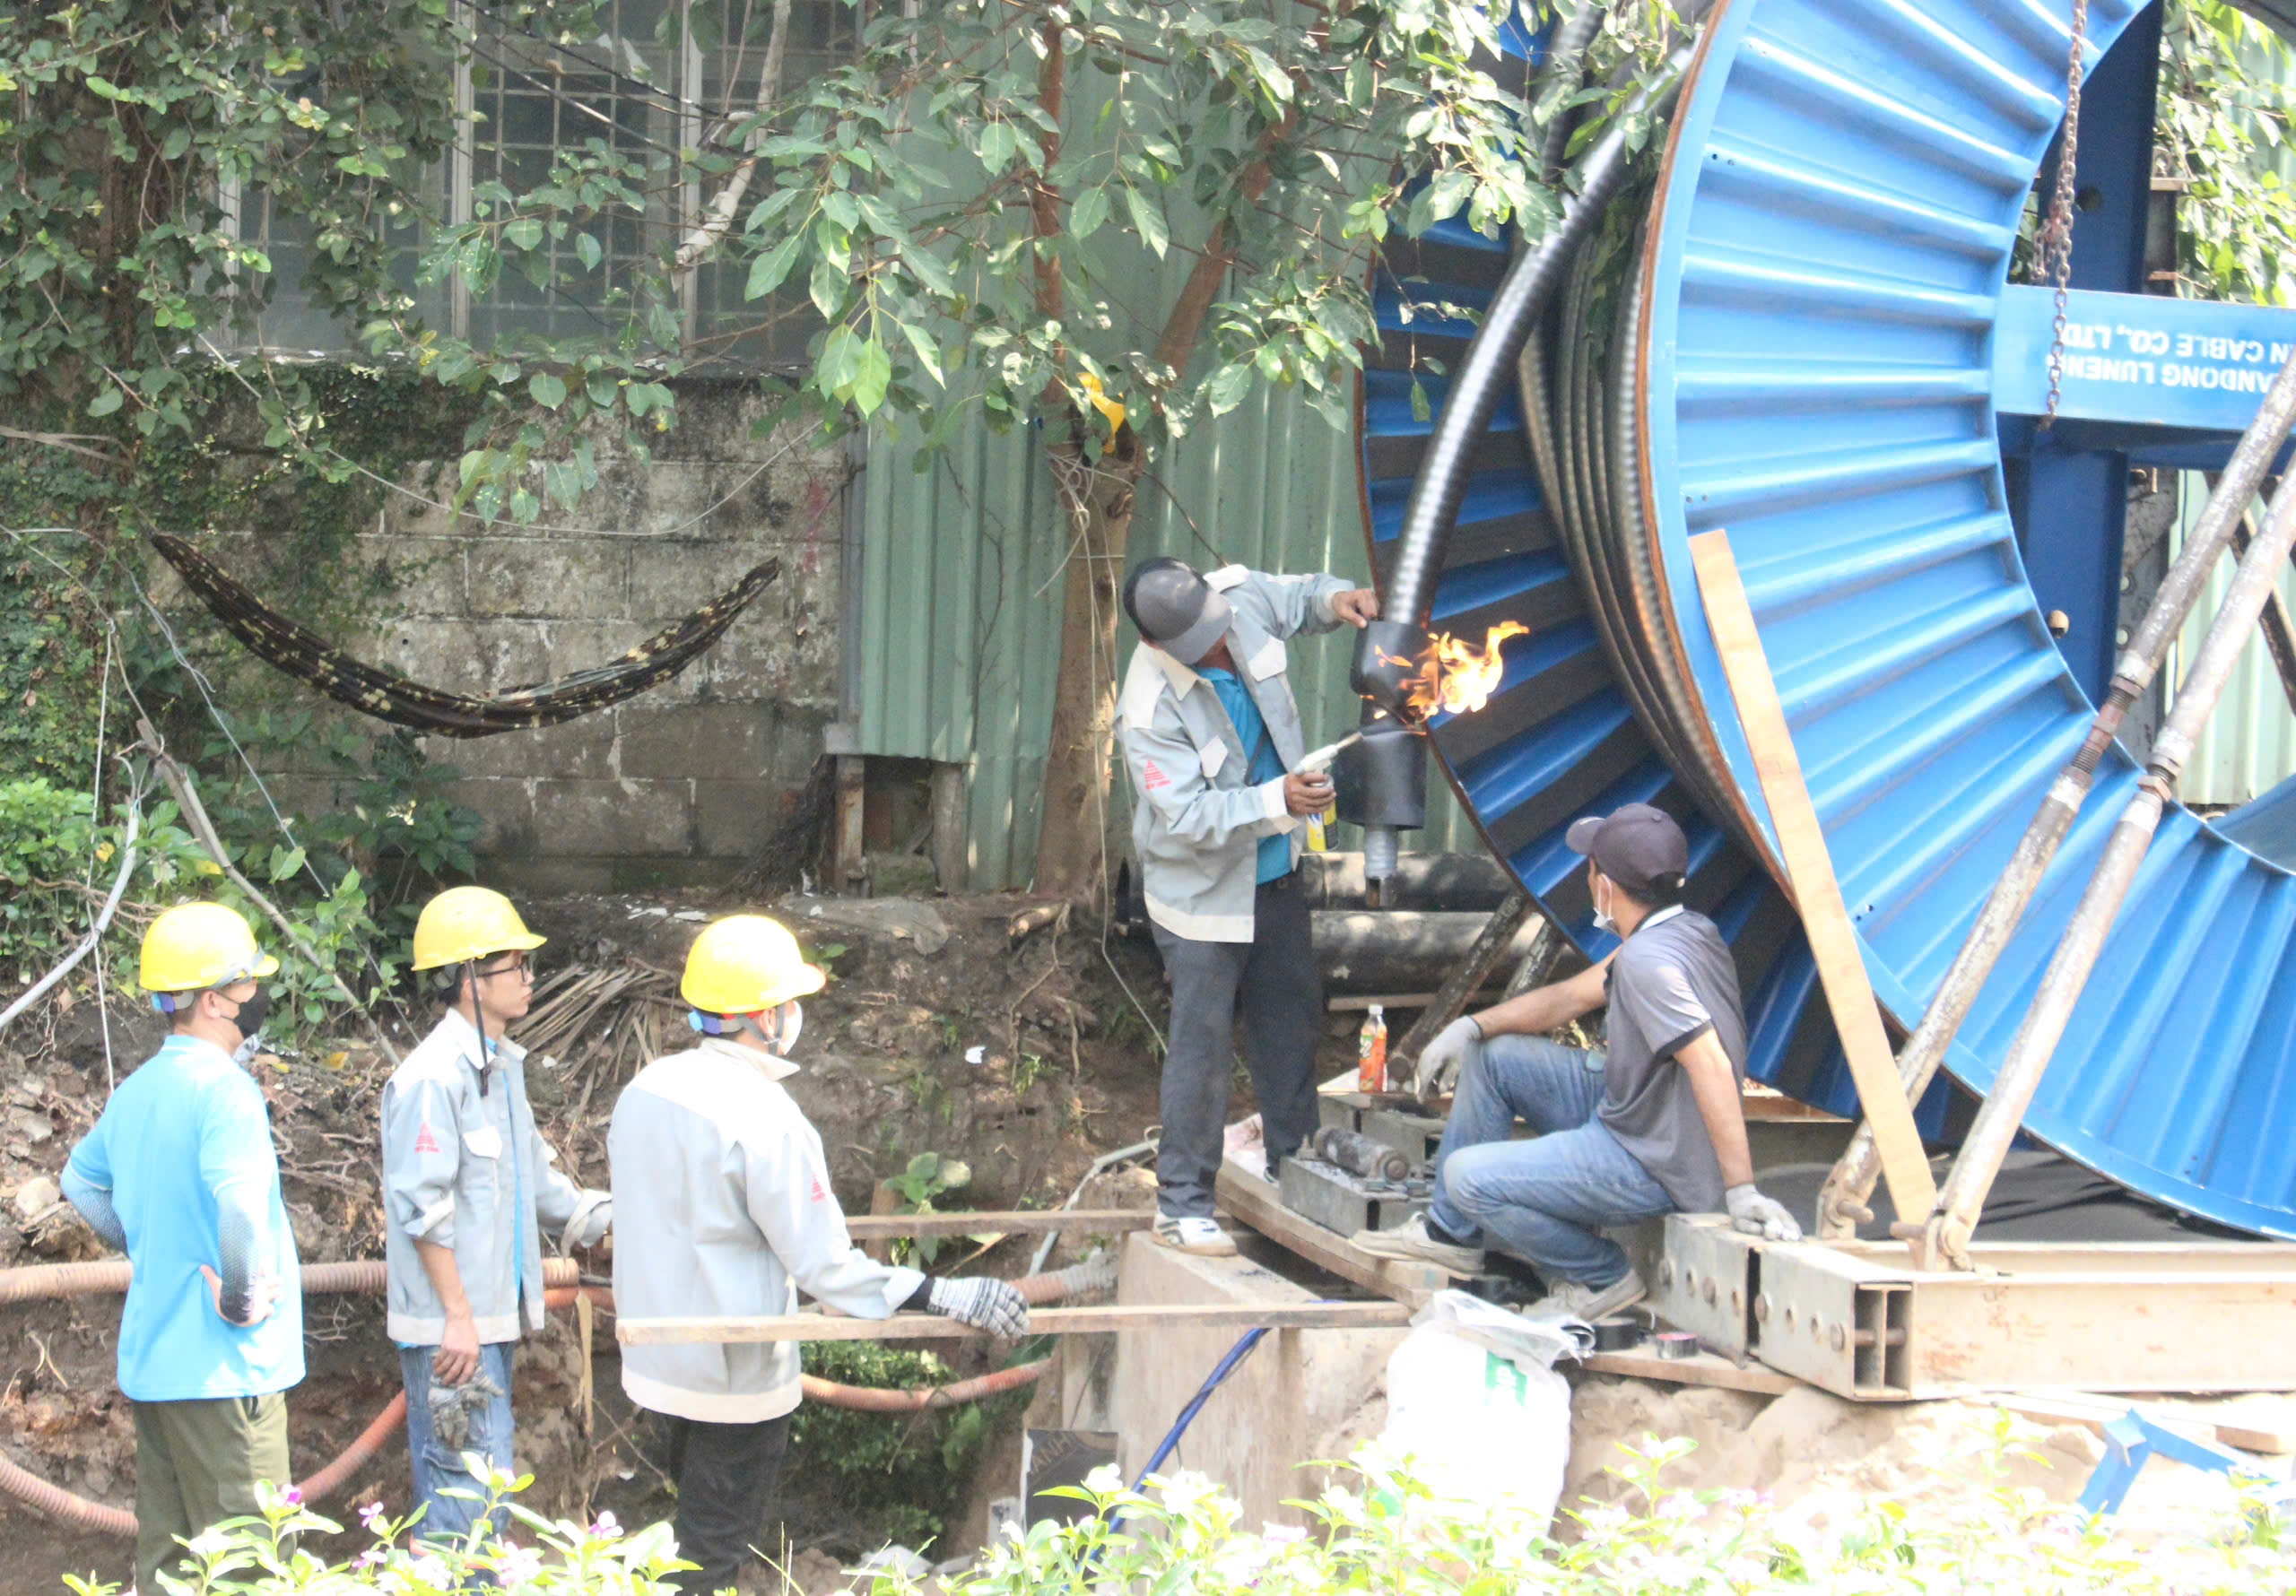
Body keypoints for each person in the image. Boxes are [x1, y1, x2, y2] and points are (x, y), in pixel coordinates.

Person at [610, 915, 1031, 1595]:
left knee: (690, 1538)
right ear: (763, 1018)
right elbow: (825, 1267)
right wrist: (943, 1293)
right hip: (734, 1378)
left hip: (656, 1366)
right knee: (710, 1561)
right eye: (787, 1002)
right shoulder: (766, 1117)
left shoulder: (645, 1091)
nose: (795, 1014)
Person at [1352, 803, 1803, 1318]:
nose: (1587, 879)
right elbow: (1569, 998)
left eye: (1591, 868)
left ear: (1606, 884)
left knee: (1466, 1176)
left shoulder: (1648, 964)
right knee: (1495, 1056)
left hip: (1651, 1160)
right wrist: (1471, 1025)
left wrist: (1740, 1191)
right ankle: (1448, 1233)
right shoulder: (1684, 931)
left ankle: (1601, 1277)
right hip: (1637, 1116)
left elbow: (1712, 1065)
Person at [1116, 556, 1380, 1255]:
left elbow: (1296, 598)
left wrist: (1341, 598)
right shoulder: (1147, 710)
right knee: (1202, 1050)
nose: (1222, 640)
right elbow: (1187, 818)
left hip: (1276, 874)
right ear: (1157, 647)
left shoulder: (1234, 601)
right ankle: (1182, 1203)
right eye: (1204, 642)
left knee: (1291, 1026)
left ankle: (1296, 1172)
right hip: (1201, 898)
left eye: (1219, 624)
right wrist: (1277, 801)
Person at [60, 902, 302, 1595]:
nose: (258, 996)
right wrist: (241, 1296)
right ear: (213, 1000)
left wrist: (148, 1245)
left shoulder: (138, 1090)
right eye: (249, 983)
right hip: (227, 1380)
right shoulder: (226, 1093)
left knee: (167, 1573)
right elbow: (237, 1206)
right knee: (252, 1566)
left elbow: (79, 1184)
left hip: (157, 1371)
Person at [380, 886, 611, 1546]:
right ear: (468, 981)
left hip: (486, 1328)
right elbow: (421, 1209)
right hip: (454, 1338)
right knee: (466, 1504)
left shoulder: (500, 1073)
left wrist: (614, 1221)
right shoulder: (432, 1078)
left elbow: (538, 1185)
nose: (530, 980)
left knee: (484, 1498)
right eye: (517, 966)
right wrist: (457, 1317)